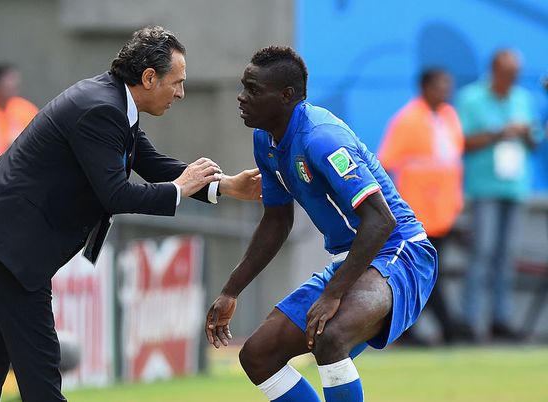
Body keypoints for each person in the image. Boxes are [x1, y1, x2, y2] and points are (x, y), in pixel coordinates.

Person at [0, 26, 260, 401]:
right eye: (176, 82)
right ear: (149, 78)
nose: (180, 93)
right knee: (40, 366)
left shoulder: (113, 101)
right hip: (6, 239)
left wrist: (226, 185)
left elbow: (152, 163)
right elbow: (115, 194)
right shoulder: (102, 108)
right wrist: (180, 189)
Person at [205, 46, 436, 402]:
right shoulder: (265, 140)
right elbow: (276, 220)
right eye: (243, 87)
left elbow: (381, 220)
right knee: (257, 356)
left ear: (286, 97)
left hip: (401, 252)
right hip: (354, 259)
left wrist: (332, 295)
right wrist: (231, 290)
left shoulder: (322, 139)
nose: (242, 97)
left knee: (330, 335)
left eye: (253, 90)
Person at [377, 68, 466, 344]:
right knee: (425, 273)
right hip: (419, 211)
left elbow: (452, 158)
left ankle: (409, 331)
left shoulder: (449, 116)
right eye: (440, 85)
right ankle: (444, 329)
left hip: (444, 211)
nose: (446, 90)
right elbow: (386, 161)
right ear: (425, 87)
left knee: (427, 273)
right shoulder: (408, 120)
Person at [456, 49, 539, 341]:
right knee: (482, 253)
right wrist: (499, 133)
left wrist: (526, 132)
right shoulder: (471, 98)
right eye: (508, 73)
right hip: (484, 187)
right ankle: (469, 320)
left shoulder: (522, 98)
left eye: (516, 73)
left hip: (515, 186)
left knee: (506, 256)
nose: (512, 79)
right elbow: (462, 140)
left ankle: (500, 319)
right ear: (494, 70)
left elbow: (534, 143)